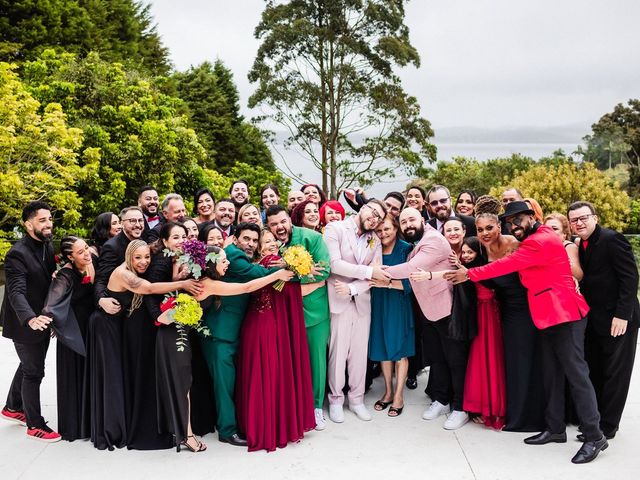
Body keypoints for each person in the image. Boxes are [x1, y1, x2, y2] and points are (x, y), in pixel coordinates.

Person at [445, 201, 606, 464]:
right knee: (552, 374)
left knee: (577, 376)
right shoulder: (534, 238)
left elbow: (503, 266)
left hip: (564, 314)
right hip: (547, 317)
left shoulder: (539, 241)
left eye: (518, 219)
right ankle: (555, 429)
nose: (513, 225)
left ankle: (594, 436)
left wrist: (469, 274)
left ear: (532, 217)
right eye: (510, 222)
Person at [86, 240, 200, 451]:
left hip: (124, 322)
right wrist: (182, 285)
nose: (144, 261)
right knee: (114, 378)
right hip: (109, 326)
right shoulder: (123, 273)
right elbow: (147, 288)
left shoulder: (140, 266)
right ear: (129, 256)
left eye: (147, 256)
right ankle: (119, 428)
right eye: (138, 257)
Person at [384, 208, 467, 430]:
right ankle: (441, 400)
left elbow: (412, 268)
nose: (408, 225)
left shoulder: (433, 240)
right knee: (438, 359)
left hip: (446, 309)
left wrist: (378, 271)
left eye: (412, 219)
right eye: (403, 222)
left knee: (455, 361)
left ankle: (460, 408)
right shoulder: (420, 240)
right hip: (429, 310)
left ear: (422, 220)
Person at [465, 202, 545, 433]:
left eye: (489, 228)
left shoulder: (517, 245)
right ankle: (509, 409)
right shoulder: (480, 250)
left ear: (500, 227)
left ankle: (530, 417)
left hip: (525, 310)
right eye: (480, 230)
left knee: (524, 362)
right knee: (508, 364)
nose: (485, 233)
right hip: (502, 313)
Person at [198, 222, 278, 446]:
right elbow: (259, 273)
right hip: (219, 333)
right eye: (246, 239)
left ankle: (231, 423)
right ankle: (227, 431)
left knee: (230, 383)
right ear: (234, 239)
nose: (251, 244)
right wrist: (286, 269)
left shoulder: (238, 255)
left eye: (254, 240)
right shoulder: (233, 255)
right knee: (224, 386)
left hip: (231, 332)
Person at [236, 236, 315, 451]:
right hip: (264, 325)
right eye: (266, 241)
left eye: (274, 241)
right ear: (260, 248)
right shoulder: (266, 265)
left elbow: (288, 292)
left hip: (272, 324)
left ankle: (265, 426)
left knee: (269, 374)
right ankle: (270, 428)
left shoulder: (282, 269)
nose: (271, 244)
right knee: (269, 374)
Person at [568, 201, 639, 441]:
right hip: (597, 319)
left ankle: (609, 426)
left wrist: (622, 315)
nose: (579, 223)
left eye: (583, 218)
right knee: (597, 370)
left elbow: (630, 279)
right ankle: (595, 420)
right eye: (574, 220)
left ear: (595, 218)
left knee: (616, 374)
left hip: (618, 318)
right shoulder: (582, 244)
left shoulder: (611, 239)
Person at [266, 205, 332, 430]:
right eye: (273, 224)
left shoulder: (312, 237)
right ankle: (295, 405)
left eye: (282, 222)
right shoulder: (268, 244)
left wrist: (290, 281)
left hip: (313, 310)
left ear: (290, 220)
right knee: (291, 360)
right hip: (282, 313)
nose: (279, 227)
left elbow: (323, 270)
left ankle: (316, 407)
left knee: (316, 360)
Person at [324, 199, 389, 423]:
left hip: (361, 300)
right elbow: (334, 264)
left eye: (379, 217)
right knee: (338, 353)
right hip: (337, 300)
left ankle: (357, 399)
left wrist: (354, 286)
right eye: (373, 212)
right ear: (362, 208)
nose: (375, 218)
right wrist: (368, 271)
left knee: (359, 355)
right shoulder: (335, 228)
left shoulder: (375, 240)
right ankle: (335, 399)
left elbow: (378, 275)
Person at [147, 224, 210, 453]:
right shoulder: (162, 261)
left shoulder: (187, 260)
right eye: (175, 237)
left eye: (184, 236)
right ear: (164, 242)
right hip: (170, 330)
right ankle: (186, 435)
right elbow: (151, 293)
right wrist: (159, 317)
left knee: (185, 380)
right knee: (182, 382)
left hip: (184, 327)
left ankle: (182, 430)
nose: (181, 240)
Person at [1, 201, 60, 442]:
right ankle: (34, 424)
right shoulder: (17, 253)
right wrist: (30, 319)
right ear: (28, 225)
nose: (48, 224)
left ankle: (12, 408)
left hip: (43, 318)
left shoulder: (46, 244)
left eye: (49, 219)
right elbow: (15, 292)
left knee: (28, 365)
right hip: (24, 322)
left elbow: (47, 279)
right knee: (34, 371)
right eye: (42, 220)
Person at [42, 236, 97, 441]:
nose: (86, 253)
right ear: (69, 256)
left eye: (86, 248)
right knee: (73, 377)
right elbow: (52, 301)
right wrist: (49, 318)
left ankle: (91, 423)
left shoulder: (91, 262)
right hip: (73, 330)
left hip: (90, 329)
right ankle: (74, 428)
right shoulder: (64, 275)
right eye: (80, 252)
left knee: (88, 376)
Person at [368, 215, 414, 417]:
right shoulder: (373, 248)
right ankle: (387, 392)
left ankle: (399, 396)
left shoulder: (406, 249)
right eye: (379, 230)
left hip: (398, 302)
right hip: (378, 301)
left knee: (399, 349)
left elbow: (412, 281)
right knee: (383, 347)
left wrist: (385, 283)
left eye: (387, 229)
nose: (383, 233)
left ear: (396, 228)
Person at [459, 237, 506, 429]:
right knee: (479, 361)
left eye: (470, 252)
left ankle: (493, 408)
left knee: (491, 359)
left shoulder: (485, 268)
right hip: (477, 315)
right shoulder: (464, 269)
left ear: (479, 252)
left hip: (490, 316)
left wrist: (468, 273)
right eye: (463, 252)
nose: (466, 256)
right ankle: (478, 406)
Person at [94, 207, 145, 316]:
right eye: (132, 221)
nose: (137, 224)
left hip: (136, 307)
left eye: (140, 220)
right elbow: (101, 278)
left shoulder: (142, 242)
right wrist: (101, 300)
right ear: (122, 224)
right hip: (115, 310)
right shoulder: (111, 246)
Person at [544, 213, 583, 281]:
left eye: (554, 228)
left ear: (564, 234)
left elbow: (578, 276)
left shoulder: (569, 247)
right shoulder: (541, 247)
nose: (549, 232)